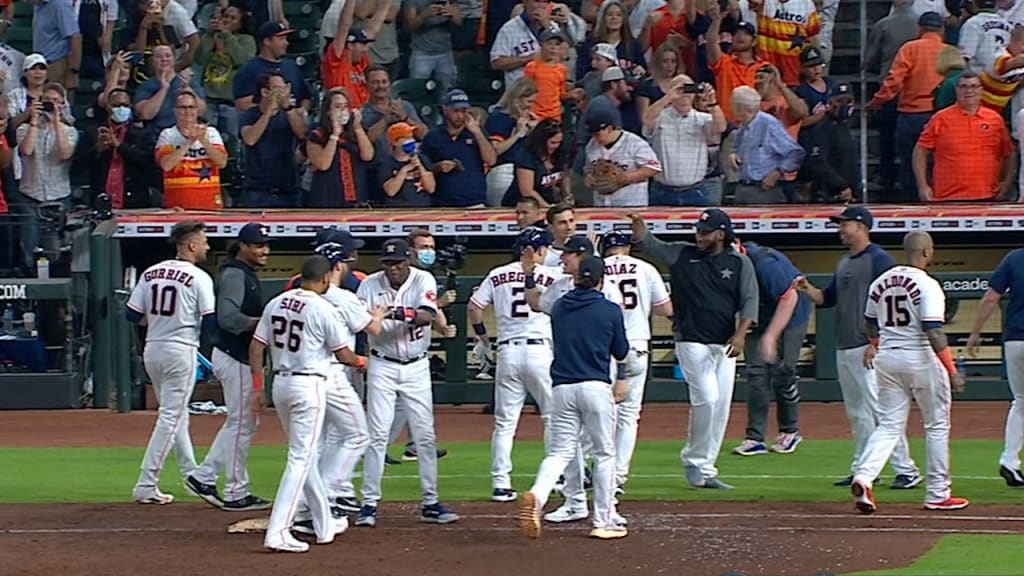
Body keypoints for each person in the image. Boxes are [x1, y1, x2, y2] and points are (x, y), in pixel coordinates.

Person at [628, 209, 758, 490]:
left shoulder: (738, 262)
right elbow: (650, 244)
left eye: (705, 232)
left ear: (721, 234)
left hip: (724, 342)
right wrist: (638, 226)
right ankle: (694, 459)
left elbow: (749, 300)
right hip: (690, 338)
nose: (699, 236)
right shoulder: (682, 255)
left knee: (721, 406)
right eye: (698, 230)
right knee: (707, 399)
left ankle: (705, 470)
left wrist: (740, 335)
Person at [794, 206, 922, 489]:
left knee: (881, 412)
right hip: (846, 345)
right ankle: (865, 468)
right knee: (858, 413)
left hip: (868, 347)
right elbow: (827, 299)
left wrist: (878, 342)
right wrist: (806, 288)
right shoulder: (844, 263)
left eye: (845, 224)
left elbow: (893, 303)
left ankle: (907, 469)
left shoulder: (879, 260)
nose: (840, 229)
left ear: (862, 226)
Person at [852, 231, 969, 514]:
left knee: (889, 425)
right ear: (928, 252)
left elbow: (868, 323)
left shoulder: (881, 281)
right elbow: (933, 330)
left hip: (888, 357)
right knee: (937, 426)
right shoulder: (928, 284)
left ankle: (864, 476)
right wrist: (951, 369)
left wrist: (878, 345)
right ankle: (938, 493)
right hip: (921, 358)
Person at [249, 255, 358, 553]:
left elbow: (256, 346)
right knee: (300, 459)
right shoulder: (323, 308)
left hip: (281, 384)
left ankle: (323, 525)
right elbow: (345, 356)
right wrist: (364, 362)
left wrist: (257, 388)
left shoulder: (277, 302)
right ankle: (278, 530)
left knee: (305, 455)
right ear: (325, 279)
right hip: (308, 384)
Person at [518, 255, 630, 541]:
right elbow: (621, 351)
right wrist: (624, 378)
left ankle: (539, 496)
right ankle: (603, 520)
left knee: (559, 452)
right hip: (595, 386)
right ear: (601, 280)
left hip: (562, 388)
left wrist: (530, 275)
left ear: (577, 278)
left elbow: (536, 302)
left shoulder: (560, 307)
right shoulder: (609, 309)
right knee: (604, 454)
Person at [355, 239, 459, 527]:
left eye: (398, 262)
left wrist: (394, 312)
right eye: (388, 263)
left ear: (408, 260)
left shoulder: (422, 278)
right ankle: (368, 504)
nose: (393, 268)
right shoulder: (369, 285)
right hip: (382, 364)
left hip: (416, 366)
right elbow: (364, 323)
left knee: (425, 436)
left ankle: (430, 501)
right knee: (377, 435)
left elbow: (426, 315)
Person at [125, 220, 215, 505]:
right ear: (191, 245)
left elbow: (131, 314)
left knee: (177, 415)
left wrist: (158, 324)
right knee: (170, 417)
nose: (207, 246)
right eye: (203, 241)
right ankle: (146, 482)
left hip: (153, 349)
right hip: (181, 350)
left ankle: (192, 475)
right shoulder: (199, 277)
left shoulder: (151, 272)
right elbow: (210, 319)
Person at [184, 223, 273, 512]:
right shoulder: (235, 273)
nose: (263, 251)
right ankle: (234, 490)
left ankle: (206, 476)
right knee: (242, 422)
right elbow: (229, 318)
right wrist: (264, 324)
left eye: (266, 245)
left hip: (236, 356)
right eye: (258, 245)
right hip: (233, 355)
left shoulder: (243, 272)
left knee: (243, 422)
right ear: (243, 246)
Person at [470, 227, 562, 502]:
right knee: (553, 418)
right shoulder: (553, 276)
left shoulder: (497, 273)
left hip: (508, 351)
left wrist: (485, 340)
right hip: (539, 352)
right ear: (540, 250)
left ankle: (500, 483)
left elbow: (474, 307)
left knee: (505, 423)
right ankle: (556, 477)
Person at [309, 241, 388, 515]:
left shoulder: (300, 294)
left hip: (303, 375)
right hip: (333, 372)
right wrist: (378, 314)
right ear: (338, 266)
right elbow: (374, 328)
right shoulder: (343, 298)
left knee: (316, 441)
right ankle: (328, 494)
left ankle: (329, 496)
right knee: (355, 435)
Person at [599, 230, 673, 493]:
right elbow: (667, 310)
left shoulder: (599, 269)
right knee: (629, 416)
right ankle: (617, 478)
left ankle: (594, 472)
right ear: (627, 248)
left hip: (604, 349)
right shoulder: (646, 268)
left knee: (600, 414)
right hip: (637, 345)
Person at [732, 240, 811, 456]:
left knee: (783, 372)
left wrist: (771, 336)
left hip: (792, 313)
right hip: (761, 315)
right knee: (756, 374)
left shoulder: (765, 264)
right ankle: (755, 438)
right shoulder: (723, 265)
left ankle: (790, 431)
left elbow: (789, 297)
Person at [967, 245, 1024, 487]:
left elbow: (991, 297)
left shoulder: (1014, 258)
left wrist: (975, 332)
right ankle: (1010, 461)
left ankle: (1009, 460)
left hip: (1015, 341)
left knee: (1020, 401)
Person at [913, 71, 1015, 202]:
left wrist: (1006, 183)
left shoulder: (995, 119)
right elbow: (920, 151)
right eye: (964, 87)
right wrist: (923, 186)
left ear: (981, 90)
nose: (969, 91)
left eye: (973, 86)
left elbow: (1009, 153)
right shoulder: (940, 119)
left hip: (988, 196)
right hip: (946, 196)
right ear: (956, 90)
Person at [16, 82, 78, 272]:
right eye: (47, 101)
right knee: (29, 247)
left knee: (58, 250)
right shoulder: (24, 129)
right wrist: (34, 119)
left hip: (59, 195)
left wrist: (58, 121)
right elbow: (26, 150)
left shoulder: (70, 132)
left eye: (56, 101)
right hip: (30, 195)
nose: (52, 104)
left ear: (63, 104)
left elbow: (65, 153)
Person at [642, 75, 726, 207]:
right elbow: (646, 120)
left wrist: (713, 102)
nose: (685, 94)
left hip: (695, 190)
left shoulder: (702, 118)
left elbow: (720, 127)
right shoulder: (660, 117)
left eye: (689, 88)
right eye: (681, 89)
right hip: (662, 190)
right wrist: (669, 97)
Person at [82, 87, 159, 209]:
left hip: (134, 201)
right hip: (101, 200)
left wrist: (119, 146)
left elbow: (147, 160)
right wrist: (98, 149)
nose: (121, 108)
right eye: (117, 105)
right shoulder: (94, 132)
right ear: (108, 107)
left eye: (125, 105)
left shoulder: (142, 134)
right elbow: (80, 163)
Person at [238, 71, 307, 208]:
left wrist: (288, 108)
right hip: (258, 190)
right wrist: (268, 113)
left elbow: (302, 134)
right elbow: (250, 139)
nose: (282, 92)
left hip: (288, 189)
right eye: (278, 89)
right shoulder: (249, 115)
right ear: (265, 92)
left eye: (284, 88)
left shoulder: (290, 114)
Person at [729, 86, 805, 205]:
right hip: (743, 188)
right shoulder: (743, 127)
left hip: (764, 191)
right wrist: (734, 155)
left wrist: (777, 173)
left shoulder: (769, 124)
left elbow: (795, 153)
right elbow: (737, 149)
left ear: (740, 107)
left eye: (732, 104)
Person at [420, 89, 497, 207]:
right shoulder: (433, 135)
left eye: (464, 111)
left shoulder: (477, 133)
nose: (460, 116)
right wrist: (438, 167)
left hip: (475, 201)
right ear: (445, 110)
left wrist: (477, 132)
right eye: (455, 111)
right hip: (444, 203)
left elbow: (491, 160)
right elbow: (423, 168)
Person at [155, 90, 228, 210]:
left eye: (191, 107)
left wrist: (203, 140)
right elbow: (166, 165)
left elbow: (222, 163)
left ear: (197, 110)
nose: (188, 111)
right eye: (183, 107)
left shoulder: (211, 132)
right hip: (177, 206)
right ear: (175, 110)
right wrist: (189, 142)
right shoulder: (167, 134)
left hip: (209, 204)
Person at [305, 88, 375, 207]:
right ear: (328, 111)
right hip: (328, 197)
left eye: (345, 106)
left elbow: (368, 156)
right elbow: (323, 164)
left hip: (356, 196)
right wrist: (335, 135)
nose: (342, 111)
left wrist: (358, 128)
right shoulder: (317, 135)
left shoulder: (354, 133)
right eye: (337, 107)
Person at [583, 106, 661, 207]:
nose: (594, 137)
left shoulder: (635, 143)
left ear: (609, 128)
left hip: (631, 205)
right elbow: (588, 169)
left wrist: (627, 178)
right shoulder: (591, 145)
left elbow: (654, 167)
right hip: (601, 206)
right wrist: (589, 178)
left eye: (597, 134)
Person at [133, 44, 207, 132]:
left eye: (168, 56)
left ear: (174, 59)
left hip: (186, 134)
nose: (164, 59)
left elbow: (201, 111)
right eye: (159, 56)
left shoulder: (188, 82)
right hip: (156, 137)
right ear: (152, 61)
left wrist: (187, 89)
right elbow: (145, 114)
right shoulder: (145, 86)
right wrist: (164, 88)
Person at [505, 118, 571, 207]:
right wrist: (547, 207)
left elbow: (564, 176)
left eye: (559, 142)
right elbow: (527, 191)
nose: (556, 146)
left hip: (551, 203)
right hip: (523, 206)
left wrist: (567, 195)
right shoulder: (526, 157)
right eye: (553, 142)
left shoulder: (560, 153)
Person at [378, 122, 436, 207]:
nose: (411, 140)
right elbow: (390, 191)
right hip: (398, 209)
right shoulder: (386, 163)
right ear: (395, 142)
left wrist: (419, 166)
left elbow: (431, 188)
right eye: (406, 137)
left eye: (411, 136)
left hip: (422, 208)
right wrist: (405, 170)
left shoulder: (422, 159)